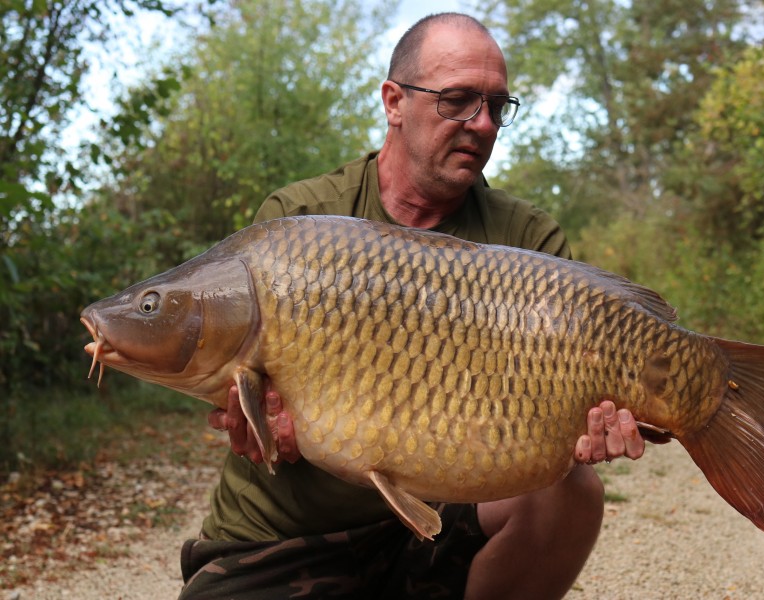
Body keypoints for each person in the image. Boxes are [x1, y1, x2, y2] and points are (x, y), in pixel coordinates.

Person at [180, 13, 645, 600]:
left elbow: (565, 423)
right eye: (457, 101)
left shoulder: (527, 240)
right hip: (287, 536)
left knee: (571, 489)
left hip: (443, 523)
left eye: (497, 107)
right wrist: (257, 427)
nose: (482, 124)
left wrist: (589, 426)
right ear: (394, 101)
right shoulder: (298, 222)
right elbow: (248, 397)